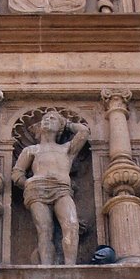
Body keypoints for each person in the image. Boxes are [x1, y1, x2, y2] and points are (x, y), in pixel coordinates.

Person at [12, 110, 90, 265]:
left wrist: (67, 123)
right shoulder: (31, 150)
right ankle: (47, 266)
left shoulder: (67, 149)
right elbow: (17, 173)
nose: (47, 120)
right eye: (45, 119)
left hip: (61, 189)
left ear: (60, 127)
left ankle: (70, 266)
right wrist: (26, 182)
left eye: (52, 119)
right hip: (36, 190)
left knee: (72, 225)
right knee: (44, 231)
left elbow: (84, 131)